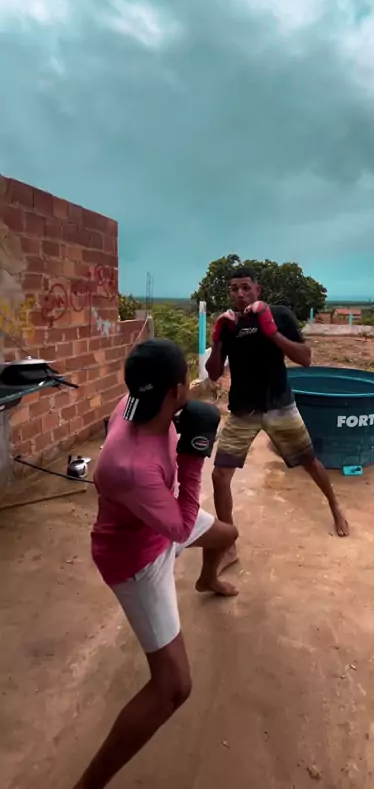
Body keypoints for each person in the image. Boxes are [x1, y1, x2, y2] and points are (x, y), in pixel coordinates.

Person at [73, 338, 238, 789]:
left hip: (160, 514)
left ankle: (207, 579)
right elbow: (181, 529)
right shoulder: (127, 466)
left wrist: (182, 432)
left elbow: (176, 520)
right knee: (174, 687)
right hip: (137, 560)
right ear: (177, 389)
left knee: (228, 534)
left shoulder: (134, 403)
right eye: (187, 379)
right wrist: (193, 457)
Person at [206, 267, 348, 570]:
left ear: (258, 289)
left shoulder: (279, 314)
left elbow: (305, 358)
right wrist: (217, 338)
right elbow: (214, 373)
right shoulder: (229, 324)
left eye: (245, 287)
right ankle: (228, 545)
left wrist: (271, 331)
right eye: (234, 288)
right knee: (219, 476)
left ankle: (335, 505)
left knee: (310, 462)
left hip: (279, 405)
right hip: (243, 410)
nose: (240, 294)